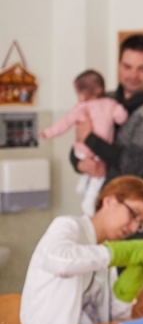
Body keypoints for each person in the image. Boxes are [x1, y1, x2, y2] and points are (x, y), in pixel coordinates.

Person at [20, 175, 143, 324]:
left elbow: (111, 320)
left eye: (140, 224)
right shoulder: (68, 226)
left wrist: (127, 290)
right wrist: (122, 253)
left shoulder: (104, 251)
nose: (134, 228)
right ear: (109, 201)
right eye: (134, 215)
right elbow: (61, 261)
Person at [71, 34, 143, 241]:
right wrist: (79, 164)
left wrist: (91, 139)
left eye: (142, 69)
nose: (133, 75)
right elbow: (77, 144)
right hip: (99, 213)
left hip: (133, 219)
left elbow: (131, 164)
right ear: (119, 65)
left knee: (124, 274)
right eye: (127, 67)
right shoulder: (105, 99)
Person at [39, 70, 128, 216]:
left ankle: (85, 191)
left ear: (85, 93)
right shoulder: (111, 104)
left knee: (92, 168)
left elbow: (64, 123)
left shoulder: (81, 108)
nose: (78, 97)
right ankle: (87, 193)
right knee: (98, 174)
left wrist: (48, 133)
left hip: (81, 150)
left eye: (79, 93)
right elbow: (122, 118)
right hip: (100, 152)